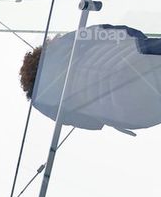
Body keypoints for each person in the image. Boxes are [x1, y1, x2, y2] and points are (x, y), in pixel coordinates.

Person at [19, 24, 161, 133]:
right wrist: (140, 40)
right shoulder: (61, 45)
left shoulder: (47, 104)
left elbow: (92, 123)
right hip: (136, 61)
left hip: (133, 111)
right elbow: (107, 32)